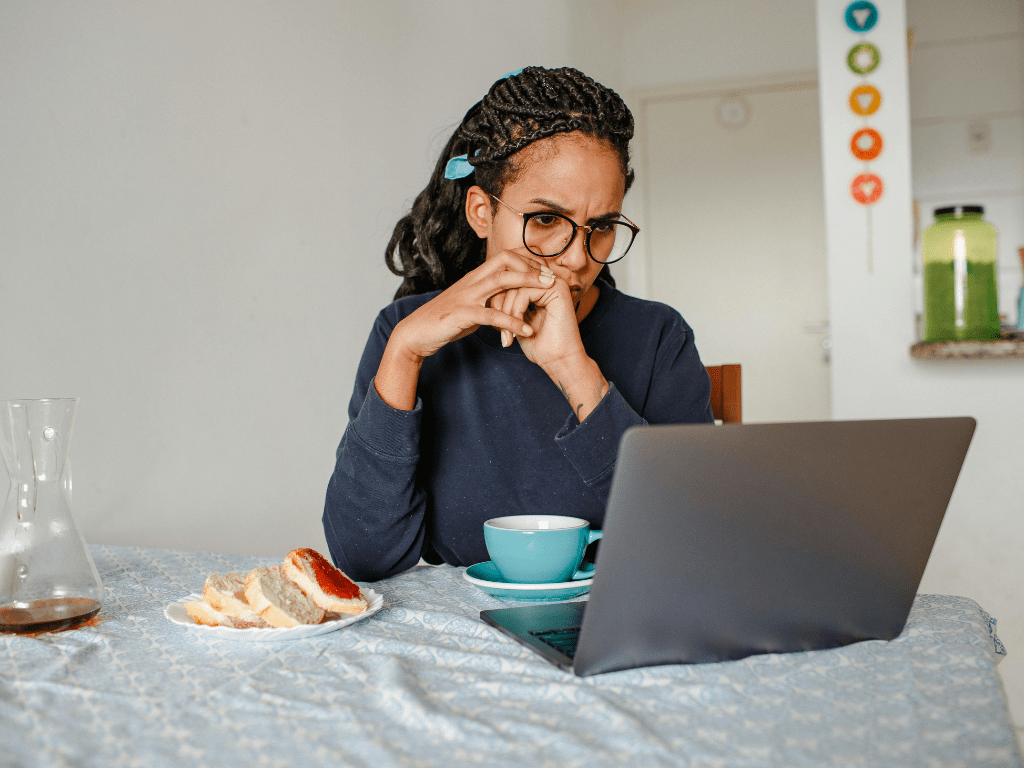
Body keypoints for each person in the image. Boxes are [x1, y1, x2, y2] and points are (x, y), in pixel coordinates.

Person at [324, 66, 713, 581]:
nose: (577, 258)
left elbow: (689, 541)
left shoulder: (659, 337)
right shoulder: (405, 331)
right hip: (461, 625)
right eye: (546, 220)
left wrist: (572, 367)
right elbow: (363, 558)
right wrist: (404, 354)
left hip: (611, 618)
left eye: (601, 227)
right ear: (481, 212)